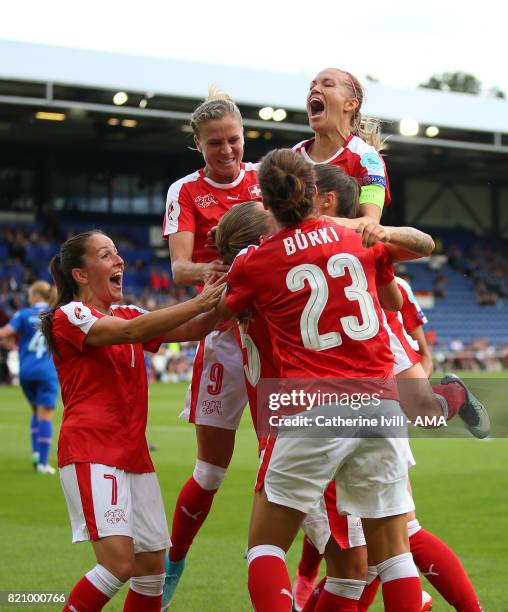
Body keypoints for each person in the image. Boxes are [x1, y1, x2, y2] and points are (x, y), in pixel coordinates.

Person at [217, 149, 423, 612]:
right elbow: (422, 245)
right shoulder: (358, 241)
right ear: (315, 193)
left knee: (266, 545)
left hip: (314, 408)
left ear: (265, 205)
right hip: (379, 404)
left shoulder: (256, 262)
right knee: (395, 554)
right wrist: (373, 228)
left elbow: (217, 313)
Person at [39, 230, 224, 612]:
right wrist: (200, 301)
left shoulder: (129, 312)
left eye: (118, 252)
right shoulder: (70, 314)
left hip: (134, 456)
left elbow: (194, 328)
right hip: (93, 450)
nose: (119, 261)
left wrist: (241, 291)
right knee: (117, 564)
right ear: (81, 275)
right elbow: (131, 333)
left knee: (151, 568)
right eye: (106, 255)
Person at [161, 86, 261, 606]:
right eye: (215, 143)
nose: (227, 151)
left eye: (234, 140)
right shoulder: (186, 191)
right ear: (198, 144)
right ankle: (172, 562)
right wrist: (213, 272)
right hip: (220, 335)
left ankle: (303, 579)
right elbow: (179, 268)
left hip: (272, 337)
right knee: (210, 471)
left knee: (286, 465)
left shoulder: (268, 178)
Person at [294, 67, 390, 222]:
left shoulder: (367, 158)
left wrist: (315, 229)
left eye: (328, 84)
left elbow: (370, 222)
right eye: (312, 87)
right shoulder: (292, 156)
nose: (315, 89)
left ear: (350, 104)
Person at [0, 280, 59, 474]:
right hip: (47, 371)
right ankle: (42, 463)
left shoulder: (23, 314)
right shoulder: (55, 315)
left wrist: (9, 339)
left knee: (35, 411)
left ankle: (35, 454)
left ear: (34, 295)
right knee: (45, 416)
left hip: (26, 371)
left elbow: (5, 333)